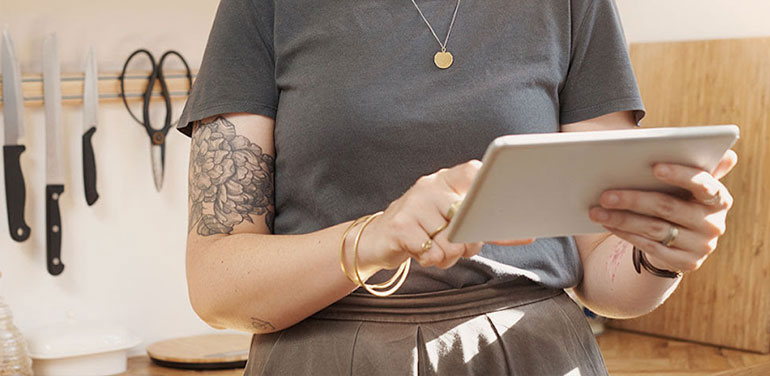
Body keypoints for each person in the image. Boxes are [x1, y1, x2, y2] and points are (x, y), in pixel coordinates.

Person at [176, 0, 738, 374]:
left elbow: (602, 271)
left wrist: (660, 253)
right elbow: (217, 285)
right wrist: (375, 237)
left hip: (535, 356)